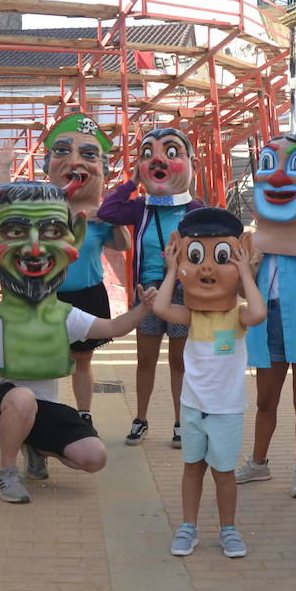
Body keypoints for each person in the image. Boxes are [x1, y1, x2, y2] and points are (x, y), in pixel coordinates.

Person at [0, 179, 156, 504]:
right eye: (16, 233)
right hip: (4, 408)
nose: (35, 249)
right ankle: (5, 473)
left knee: (94, 457)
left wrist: (143, 309)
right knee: (21, 398)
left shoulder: (67, 316)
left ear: (72, 238)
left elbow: (115, 327)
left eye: (50, 232)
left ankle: (37, 447)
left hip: (43, 409)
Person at [1, 114, 129, 425]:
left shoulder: (99, 214)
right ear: (48, 165)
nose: (75, 162)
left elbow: (122, 245)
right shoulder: (40, 204)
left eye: (89, 154)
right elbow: (5, 204)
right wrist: (5, 167)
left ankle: (84, 414)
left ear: (103, 167)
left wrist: (110, 216)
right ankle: (43, 415)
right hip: (45, 296)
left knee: (82, 361)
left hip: (88, 296)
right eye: (61, 151)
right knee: (43, 360)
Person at [153, 208, 266, 558]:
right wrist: (172, 270)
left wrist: (245, 270)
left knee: (224, 473)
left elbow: (259, 313)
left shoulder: (237, 317)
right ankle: (188, 527)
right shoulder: (191, 315)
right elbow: (159, 307)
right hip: (192, 407)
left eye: (220, 258)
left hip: (227, 411)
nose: (206, 268)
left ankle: (228, 529)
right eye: (197, 257)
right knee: (192, 469)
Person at [236, 130, 296, 500]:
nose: (277, 178)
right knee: (265, 401)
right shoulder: (252, 240)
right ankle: (259, 463)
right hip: (267, 322)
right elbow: (235, 290)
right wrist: (247, 268)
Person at [98, 127, 203, 448]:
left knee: (179, 361)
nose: (157, 159)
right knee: (146, 358)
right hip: (148, 292)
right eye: (147, 154)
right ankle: (141, 418)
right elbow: (107, 211)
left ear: (190, 164)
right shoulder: (141, 207)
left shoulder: (194, 210)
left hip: (182, 291)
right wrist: (131, 181)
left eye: (171, 153)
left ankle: (180, 422)